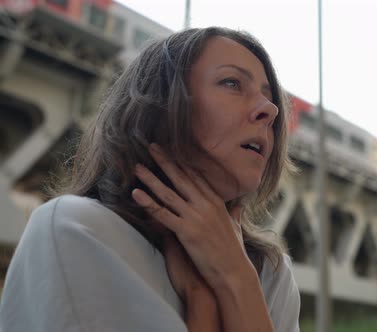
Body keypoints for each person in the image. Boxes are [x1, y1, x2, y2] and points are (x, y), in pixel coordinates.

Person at [0, 27, 301, 331]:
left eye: (268, 96)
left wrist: (237, 277)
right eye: (232, 83)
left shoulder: (271, 275)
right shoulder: (76, 228)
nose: (271, 109)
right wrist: (205, 301)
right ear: (161, 107)